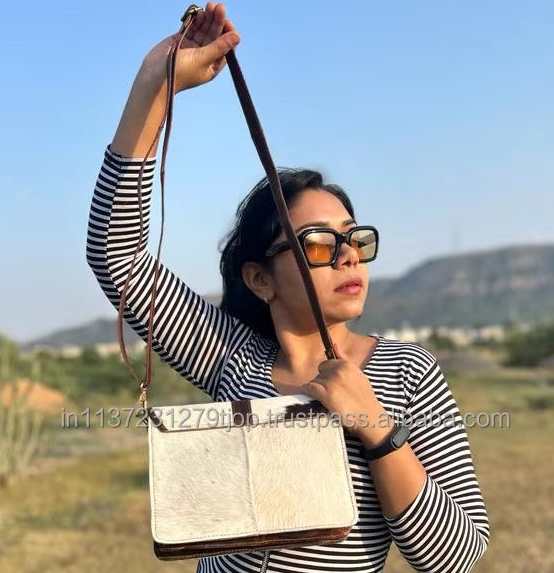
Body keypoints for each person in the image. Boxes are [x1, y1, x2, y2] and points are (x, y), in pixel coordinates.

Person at [86, 3, 490, 572]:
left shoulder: (407, 373)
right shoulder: (232, 358)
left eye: (355, 238)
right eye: (318, 243)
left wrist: (375, 425)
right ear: (260, 278)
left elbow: (457, 558)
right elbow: (116, 256)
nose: (348, 255)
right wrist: (156, 85)